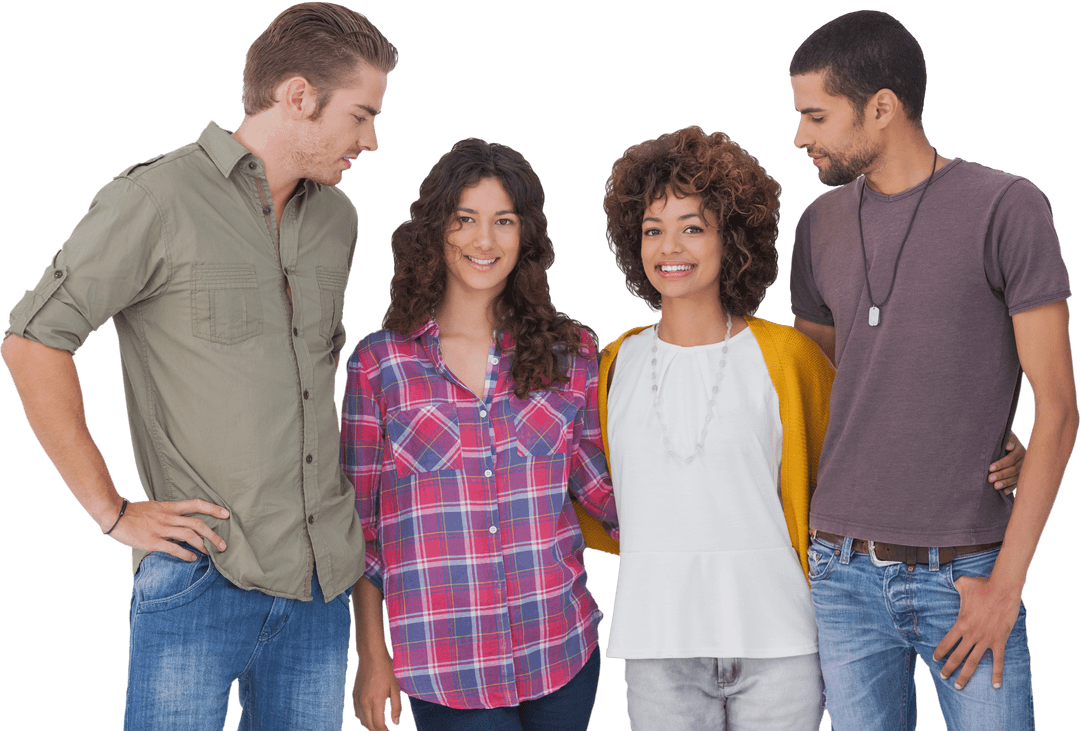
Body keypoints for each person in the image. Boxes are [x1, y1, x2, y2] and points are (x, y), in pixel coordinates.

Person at [1, 3, 396, 729]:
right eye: (361, 116)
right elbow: (32, 341)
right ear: (299, 96)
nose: (370, 140)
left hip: (321, 585)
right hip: (202, 575)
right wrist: (110, 510)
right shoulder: (154, 199)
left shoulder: (338, 220)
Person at [787, 10, 1077, 730]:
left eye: (816, 116)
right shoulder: (817, 225)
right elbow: (824, 386)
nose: (800, 136)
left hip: (969, 571)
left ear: (881, 108)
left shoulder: (1007, 206)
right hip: (840, 570)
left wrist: (1006, 585)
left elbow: (1060, 407)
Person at [341, 138, 618, 731]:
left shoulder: (570, 353)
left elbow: (600, 489)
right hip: (446, 668)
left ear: (526, 235)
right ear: (436, 230)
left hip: (561, 648)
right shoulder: (380, 364)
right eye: (465, 219)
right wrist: (371, 655)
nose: (484, 241)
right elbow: (362, 530)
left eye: (504, 221)